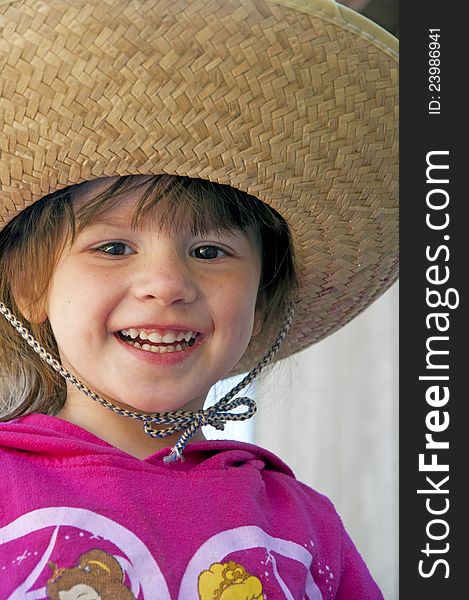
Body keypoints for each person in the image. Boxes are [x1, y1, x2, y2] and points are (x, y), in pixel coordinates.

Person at [0, 0, 398, 598]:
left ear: (261, 300)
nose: (167, 284)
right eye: (113, 247)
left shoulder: (302, 524)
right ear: (32, 287)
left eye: (210, 252)